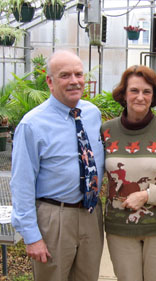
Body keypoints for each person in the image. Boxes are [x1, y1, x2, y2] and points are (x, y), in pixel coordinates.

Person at [10, 50, 105, 281]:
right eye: (65, 75)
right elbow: (22, 184)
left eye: (78, 74)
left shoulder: (92, 114)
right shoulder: (32, 125)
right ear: (50, 82)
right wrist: (32, 236)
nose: (74, 81)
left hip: (91, 214)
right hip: (54, 218)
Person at [101, 65, 156, 281]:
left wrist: (147, 195)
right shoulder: (106, 132)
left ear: (154, 96)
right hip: (120, 227)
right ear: (123, 94)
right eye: (134, 90)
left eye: (147, 92)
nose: (140, 97)